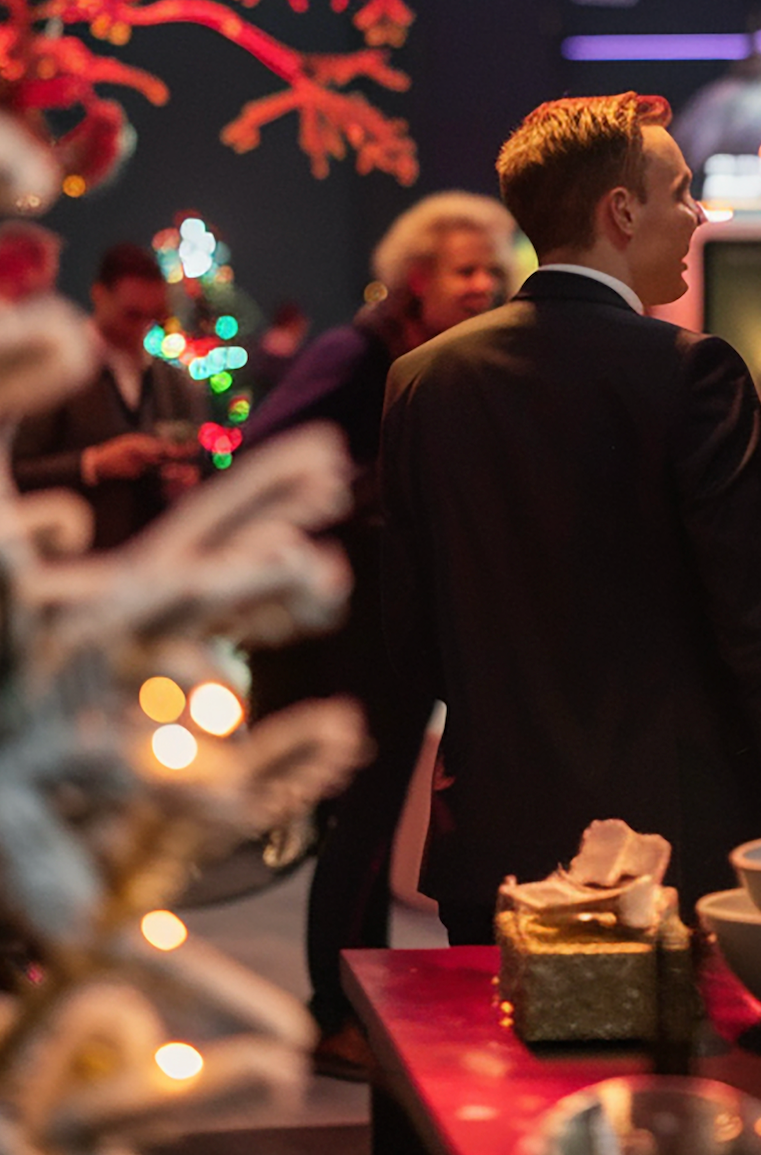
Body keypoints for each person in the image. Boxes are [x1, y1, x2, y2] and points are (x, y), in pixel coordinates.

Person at [380, 92, 761, 946]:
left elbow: (412, 624)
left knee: (496, 1034)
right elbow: (760, 627)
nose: (698, 214)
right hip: (669, 837)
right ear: (622, 211)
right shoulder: (694, 373)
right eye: (681, 192)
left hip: (492, 829)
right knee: (669, 1038)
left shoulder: (422, 378)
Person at [239, 190, 517, 1080]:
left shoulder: (434, 356)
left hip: (383, 626)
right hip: (346, 635)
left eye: (492, 270)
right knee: (357, 830)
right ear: (417, 276)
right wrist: (385, 490)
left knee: (361, 827)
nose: (483, 285)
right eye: (465, 270)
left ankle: (353, 1009)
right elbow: (264, 458)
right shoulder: (356, 351)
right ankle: (335, 1014)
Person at [11, 242, 203, 548]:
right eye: (132, 314)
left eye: (153, 316)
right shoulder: (57, 372)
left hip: (152, 557)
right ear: (99, 294)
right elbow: (15, 470)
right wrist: (94, 463)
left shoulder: (170, 379)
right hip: (73, 560)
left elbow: (194, 457)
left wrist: (186, 477)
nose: (142, 328)